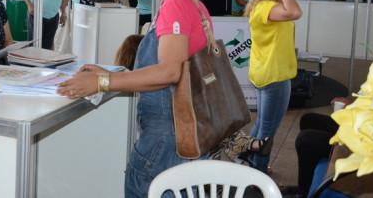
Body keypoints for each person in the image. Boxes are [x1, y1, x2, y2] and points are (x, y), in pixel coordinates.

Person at [56, 0, 212, 197]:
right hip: (185, 129)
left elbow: (169, 72)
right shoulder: (190, 1)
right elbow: (173, 68)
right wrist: (111, 74)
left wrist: (102, 83)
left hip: (168, 135)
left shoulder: (174, 6)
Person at [111, 33, 273, 163]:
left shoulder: (130, 86)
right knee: (206, 122)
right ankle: (243, 146)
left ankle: (241, 147)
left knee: (206, 122)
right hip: (168, 147)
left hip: (167, 147)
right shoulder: (143, 88)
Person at [244, 0, 303, 174]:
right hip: (274, 76)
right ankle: (258, 175)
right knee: (267, 131)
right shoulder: (267, 7)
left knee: (262, 124)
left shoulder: (266, 6)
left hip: (266, 72)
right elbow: (296, 12)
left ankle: (248, 164)